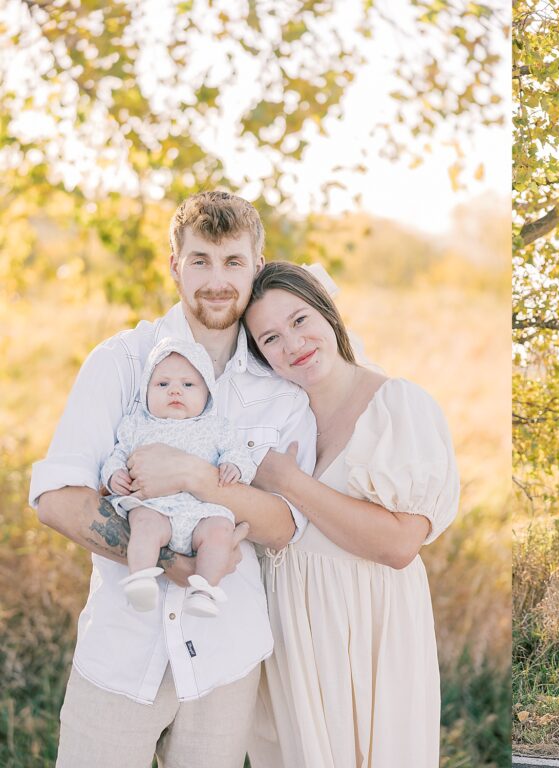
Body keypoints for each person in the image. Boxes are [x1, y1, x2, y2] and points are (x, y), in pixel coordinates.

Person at [29, 191, 316, 768]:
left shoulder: (281, 386)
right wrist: (168, 562)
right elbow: (58, 500)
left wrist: (195, 477)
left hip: (226, 657)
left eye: (233, 261)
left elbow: (286, 524)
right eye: (201, 260)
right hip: (120, 651)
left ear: (257, 266)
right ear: (174, 265)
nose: (217, 279)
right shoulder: (121, 362)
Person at [241, 262, 459, 768]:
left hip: (368, 629)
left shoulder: (397, 405)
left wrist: (290, 482)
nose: (293, 345)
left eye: (299, 320)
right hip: (291, 635)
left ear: (327, 310)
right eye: (270, 338)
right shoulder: (275, 418)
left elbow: (400, 545)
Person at [102, 338, 259, 617]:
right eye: (162, 384)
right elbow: (118, 453)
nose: (175, 390)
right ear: (146, 391)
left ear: (207, 394)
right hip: (156, 507)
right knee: (143, 524)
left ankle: (204, 590)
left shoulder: (216, 427)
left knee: (220, 531)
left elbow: (238, 453)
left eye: (188, 385)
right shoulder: (137, 424)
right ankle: (140, 579)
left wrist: (235, 465)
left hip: (202, 511)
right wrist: (113, 474)